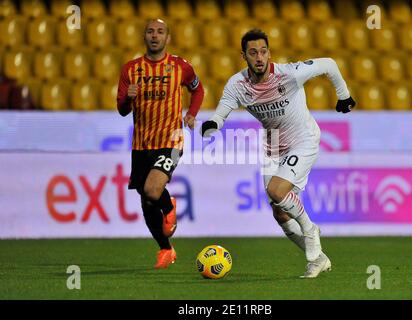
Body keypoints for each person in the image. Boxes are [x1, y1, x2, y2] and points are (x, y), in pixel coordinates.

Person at [201, 29, 355, 278]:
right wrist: (212, 125)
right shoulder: (237, 85)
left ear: (269, 53)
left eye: (263, 52)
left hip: (304, 140)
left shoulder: (289, 74)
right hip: (273, 147)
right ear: (244, 56)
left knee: (276, 190)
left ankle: (310, 229)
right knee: (280, 211)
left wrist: (343, 96)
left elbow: (329, 64)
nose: (259, 57)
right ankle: (318, 259)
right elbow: (221, 113)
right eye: (253, 53)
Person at [117, 19, 204, 269]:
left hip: (171, 139)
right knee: (146, 201)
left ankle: (169, 204)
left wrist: (192, 113)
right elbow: (122, 110)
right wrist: (127, 100)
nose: (155, 36)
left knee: (153, 191)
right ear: (144, 36)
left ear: (168, 38)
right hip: (141, 144)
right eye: (150, 31)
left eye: (160, 32)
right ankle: (166, 250)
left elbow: (198, 90)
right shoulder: (130, 70)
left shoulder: (180, 67)